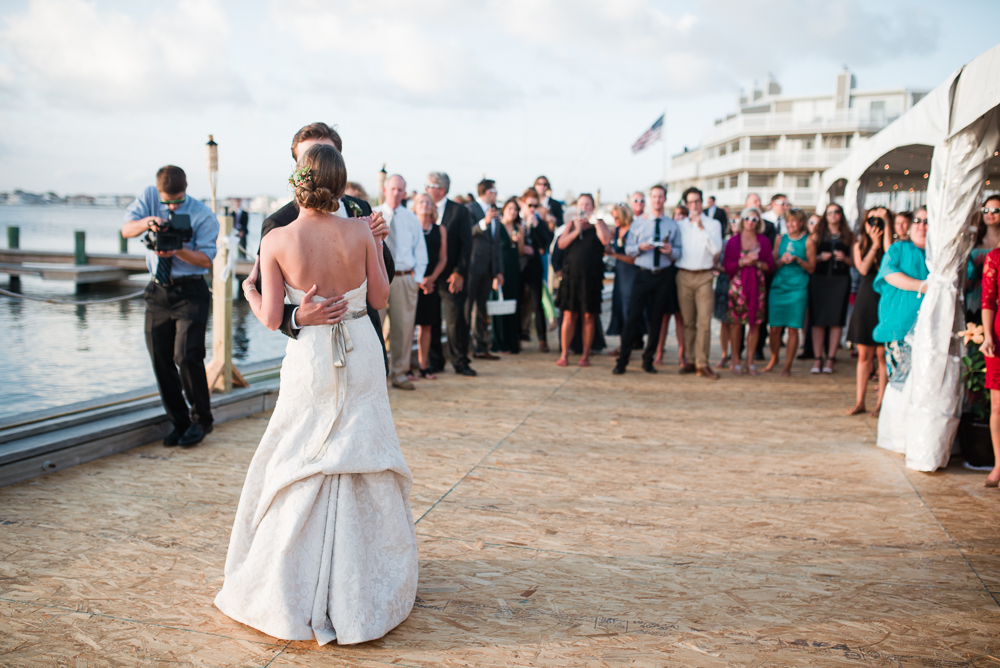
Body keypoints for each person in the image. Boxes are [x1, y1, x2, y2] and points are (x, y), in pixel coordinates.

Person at [217, 143, 417, 646]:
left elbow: (268, 319)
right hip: (363, 350)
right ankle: (363, 587)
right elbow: (376, 298)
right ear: (341, 183)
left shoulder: (277, 238)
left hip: (310, 356)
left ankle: (288, 582)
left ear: (297, 180)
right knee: (362, 452)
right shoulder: (358, 229)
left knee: (298, 453)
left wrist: (251, 294)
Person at [259, 123, 394, 376]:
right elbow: (269, 298)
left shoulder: (361, 208)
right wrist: (298, 316)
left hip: (365, 339)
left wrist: (381, 240)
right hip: (312, 346)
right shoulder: (276, 224)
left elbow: (381, 280)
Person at [121, 165, 219, 447]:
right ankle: (180, 421)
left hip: (191, 290)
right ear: (158, 193)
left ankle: (203, 420)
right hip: (158, 289)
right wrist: (148, 222)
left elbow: (206, 260)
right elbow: (128, 229)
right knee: (160, 358)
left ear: (185, 190)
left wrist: (178, 250)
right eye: (167, 202)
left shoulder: (202, 214)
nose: (171, 205)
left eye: (177, 201)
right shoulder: (150, 197)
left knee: (187, 354)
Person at [613, 185, 683, 375]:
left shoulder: (672, 225)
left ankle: (648, 359)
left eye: (661, 197)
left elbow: (679, 251)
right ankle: (622, 362)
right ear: (650, 199)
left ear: (665, 199)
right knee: (633, 318)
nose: (657, 200)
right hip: (643, 273)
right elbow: (628, 249)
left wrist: (671, 251)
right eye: (654, 197)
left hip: (664, 275)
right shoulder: (639, 223)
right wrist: (640, 247)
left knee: (657, 320)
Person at [376, 175, 428, 390]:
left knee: (404, 329)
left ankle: (399, 374)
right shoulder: (372, 214)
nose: (397, 193)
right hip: (377, 279)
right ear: (385, 189)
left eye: (401, 190)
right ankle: (377, 378)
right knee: (374, 329)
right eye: (393, 188)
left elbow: (421, 251)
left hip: (404, 279)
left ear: (405, 193)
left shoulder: (411, 218)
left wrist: (416, 281)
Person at [424, 172, 476, 376]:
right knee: (432, 319)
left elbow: (467, 244)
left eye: (431, 185)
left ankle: (460, 361)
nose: (427, 188)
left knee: (455, 321)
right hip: (428, 277)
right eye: (426, 185)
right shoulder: (421, 208)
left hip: (451, 276)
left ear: (442, 189)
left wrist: (459, 272)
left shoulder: (460, 211)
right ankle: (435, 361)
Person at [873, 206, 928, 389]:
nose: (922, 225)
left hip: (932, 328)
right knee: (900, 385)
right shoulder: (898, 248)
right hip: (901, 326)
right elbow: (889, 274)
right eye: (918, 220)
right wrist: (921, 286)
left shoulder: (944, 254)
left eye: (927, 221)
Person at [556, 193, 612, 367]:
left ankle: (585, 355)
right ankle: (564, 353)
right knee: (568, 316)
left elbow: (606, 240)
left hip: (591, 276)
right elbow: (561, 244)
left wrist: (595, 223)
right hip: (572, 276)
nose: (584, 208)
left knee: (589, 316)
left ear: (593, 207)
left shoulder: (599, 224)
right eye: (582, 204)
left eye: (588, 205)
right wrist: (576, 231)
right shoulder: (571, 224)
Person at [676, 186, 723, 379]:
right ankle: (689, 360)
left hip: (704, 276)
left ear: (702, 202)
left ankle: (702, 363)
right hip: (684, 275)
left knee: (704, 322)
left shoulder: (713, 224)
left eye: (697, 201)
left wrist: (701, 227)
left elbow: (716, 250)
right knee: (688, 322)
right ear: (686, 204)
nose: (694, 205)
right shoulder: (680, 225)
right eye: (690, 202)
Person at [846, 208, 890, 415]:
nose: (875, 225)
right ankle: (860, 401)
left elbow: (889, 263)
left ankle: (881, 402)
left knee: (883, 355)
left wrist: (887, 225)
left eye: (879, 220)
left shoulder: (892, 246)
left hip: (885, 300)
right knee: (864, 354)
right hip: (866, 297)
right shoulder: (859, 245)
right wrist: (874, 244)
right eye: (871, 220)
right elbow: (863, 269)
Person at [723, 207, 774, 376]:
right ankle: (736, 359)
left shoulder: (764, 241)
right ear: (741, 220)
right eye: (747, 218)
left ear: (758, 222)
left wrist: (757, 262)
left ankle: (750, 361)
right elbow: (727, 265)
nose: (750, 222)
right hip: (738, 287)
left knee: (756, 324)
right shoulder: (733, 241)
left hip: (757, 287)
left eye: (754, 219)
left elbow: (770, 266)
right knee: (736, 324)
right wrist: (743, 262)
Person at [764, 208, 815, 376]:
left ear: (801, 223)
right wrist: (781, 260)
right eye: (788, 221)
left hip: (798, 288)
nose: (790, 224)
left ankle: (787, 365)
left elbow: (812, 267)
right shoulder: (780, 239)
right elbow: (773, 264)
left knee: (793, 328)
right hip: (779, 286)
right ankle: (774, 358)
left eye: (794, 221)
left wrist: (798, 260)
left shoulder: (808, 241)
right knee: (775, 328)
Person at [809, 203, 855, 374]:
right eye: (830, 213)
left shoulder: (849, 236)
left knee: (836, 320)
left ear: (841, 215)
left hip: (840, 280)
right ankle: (817, 359)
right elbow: (809, 258)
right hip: (819, 279)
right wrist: (820, 257)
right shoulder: (817, 235)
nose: (833, 215)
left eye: (836, 212)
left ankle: (830, 359)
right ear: (825, 216)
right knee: (818, 320)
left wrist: (845, 258)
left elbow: (854, 262)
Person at [466, 179, 505, 360]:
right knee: (467, 308)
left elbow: (496, 244)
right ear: (487, 191)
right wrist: (484, 222)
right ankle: (464, 348)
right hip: (473, 267)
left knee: (482, 309)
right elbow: (469, 233)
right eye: (494, 191)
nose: (496, 194)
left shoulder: (496, 211)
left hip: (489, 269)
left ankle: (481, 347)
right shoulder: (470, 209)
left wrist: (499, 271)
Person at [413, 193, 447, 379]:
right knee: (408, 325)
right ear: (415, 206)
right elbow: (404, 255)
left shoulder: (440, 230)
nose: (425, 205)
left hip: (431, 285)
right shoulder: (410, 227)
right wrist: (418, 280)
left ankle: (423, 366)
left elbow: (443, 258)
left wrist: (431, 279)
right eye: (421, 202)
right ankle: (404, 368)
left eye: (428, 202)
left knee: (427, 326)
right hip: (412, 283)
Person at [976, 225, 1000, 487]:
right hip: (998, 334)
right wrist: (987, 336)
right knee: (997, 406)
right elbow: (988, 299)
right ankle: (998, 464)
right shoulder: (995, 257)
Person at [518, 188, 553, 351]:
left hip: (534, 267)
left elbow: (544, 244)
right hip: (518, 267)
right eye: (529, 205)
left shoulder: (540, 222)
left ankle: (542, 339)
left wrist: (537, 225)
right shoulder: (516, 220)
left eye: (535, 205)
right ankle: (517, 336)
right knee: (518, 302)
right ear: (522, 203)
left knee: (537, 303)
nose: (532, 209)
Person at [490, 197, 525, 354]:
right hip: (499, 269)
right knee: (499, 304)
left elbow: (520, 252)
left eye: (516, 210)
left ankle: (512, 341)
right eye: (510, 208)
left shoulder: (519, 228)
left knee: (512, 304)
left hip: (513, 269)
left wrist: (518, 241)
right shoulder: (497, 226)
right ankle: (499, 341)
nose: (513, 212)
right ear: (504, 209)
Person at [605, 203, 642, 352]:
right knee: (619, 308)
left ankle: (628, 346)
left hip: (631, 273)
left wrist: (615, 254)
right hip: (619, 274)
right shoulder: (616, 230)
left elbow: (635, 259)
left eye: (617, 217)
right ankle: (623, 346)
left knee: (629, 309)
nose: (615, 220)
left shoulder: (634, 230)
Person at [966, 196, 1000, 325]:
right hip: (974, 296)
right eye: (986, 210)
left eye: (995, 210)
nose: (989, 214)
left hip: (997, 300)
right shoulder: (972, 242)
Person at [714, 214, 739, 367]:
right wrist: (726, 269)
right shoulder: (722, 242)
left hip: (741, 283)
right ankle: (724, 355)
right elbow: (714, 263)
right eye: (732, 221)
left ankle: (736, 355)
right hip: (724, 282)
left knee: (737, 323)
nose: (735, 223)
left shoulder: (747, 241)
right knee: (724, 322)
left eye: (738, 220)